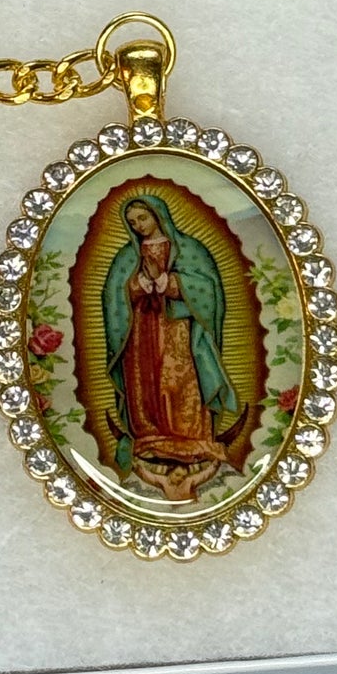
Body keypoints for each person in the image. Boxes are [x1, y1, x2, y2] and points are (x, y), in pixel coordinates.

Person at [101, 193, 242, 499]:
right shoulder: (127, 256)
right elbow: (112, 296)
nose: (139, 226)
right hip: (140, 331)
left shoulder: (190, 249)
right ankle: (149, 436)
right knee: (146, 380)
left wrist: (171, 282)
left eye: (143, 218)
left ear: (158, 214)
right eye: (132, 222)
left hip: (179, 329)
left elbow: (209, 289)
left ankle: (191, 438)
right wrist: (137, 286)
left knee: (179, 378)